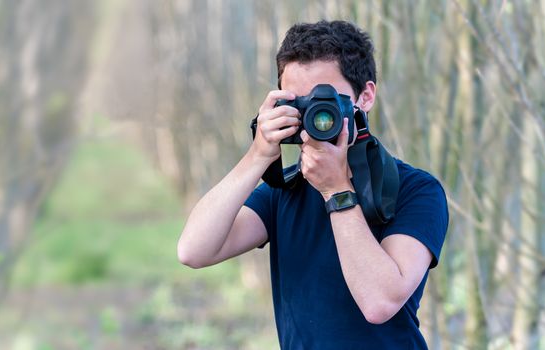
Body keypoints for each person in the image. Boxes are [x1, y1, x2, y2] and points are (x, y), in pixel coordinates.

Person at [176, 20, 448, 349]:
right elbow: (193, 250)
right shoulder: (283, 192)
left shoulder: (416, 191)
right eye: (298, 105)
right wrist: (258, 155)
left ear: (365, 96)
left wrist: (336, 192)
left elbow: (379, 302)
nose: (313, 118)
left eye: (326, 100)